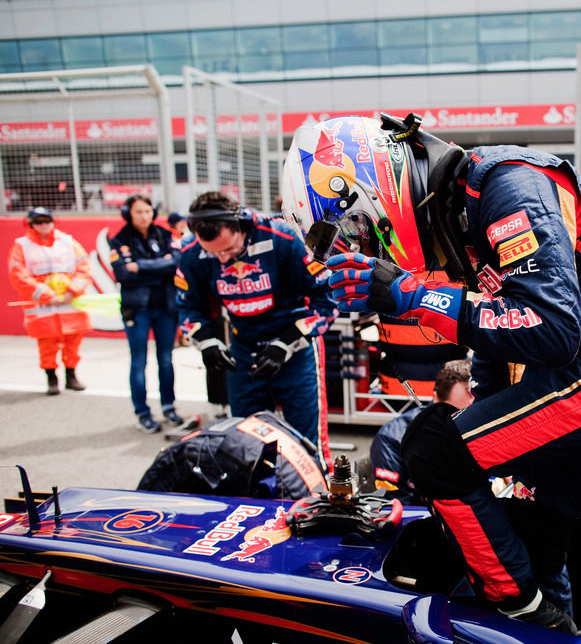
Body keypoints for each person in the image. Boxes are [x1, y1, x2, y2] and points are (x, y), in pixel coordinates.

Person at [281, 113, 581, 632]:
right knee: (532, 537)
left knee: (433, 449)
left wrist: (408, 292)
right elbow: (495, 326)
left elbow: (552, 328)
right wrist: (487, 404)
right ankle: (554, 627)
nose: (364, 249)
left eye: (357, 230)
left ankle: (523, 611)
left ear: (372, 187)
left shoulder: (510, 183)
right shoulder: (459, 208)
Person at [175, 191, 338, 470]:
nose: (223, 259)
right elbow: (187, 307)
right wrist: (207, 341)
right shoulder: (190, 251)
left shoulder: (283, 237)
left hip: (295, 348)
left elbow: (327, 302)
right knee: (245, 437)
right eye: (214, 253)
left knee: (305, 440)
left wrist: (286, 343)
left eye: (228, 249)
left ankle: (317, 495)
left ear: (241, 226)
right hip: (243, 350)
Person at [108, 194, 184, 433]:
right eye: (139, 211)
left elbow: (176, 263)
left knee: (166, 359)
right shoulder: (119, 239)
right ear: (128, 214)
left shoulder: (164, 234)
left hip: (165, 307)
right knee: (139, 362)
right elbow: (122, 273)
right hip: (137, 309)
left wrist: (140, 266)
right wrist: (161, 265)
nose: (144, 216)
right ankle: (142, 412)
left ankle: (169, 407)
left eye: (148, 211)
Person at [8, 207, 92, 395]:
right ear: (31, 225)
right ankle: (51, 377)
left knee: (73, 341)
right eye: (38, 222)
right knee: (47, 344)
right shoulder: (22, 245)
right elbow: (18, 274)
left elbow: (84, 267)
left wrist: (73, 290)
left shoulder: (67, 242)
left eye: (47, 220)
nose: (44, 225)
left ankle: (71, 375)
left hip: (70, 303)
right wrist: (46, 295)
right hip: (42, 306)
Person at [371, 359, 473, 503]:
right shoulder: (392, 439)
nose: (466, 424)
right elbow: (395, 508)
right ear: (435, 398)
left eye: (473, 415)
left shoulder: (485, 430)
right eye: (456, 415)